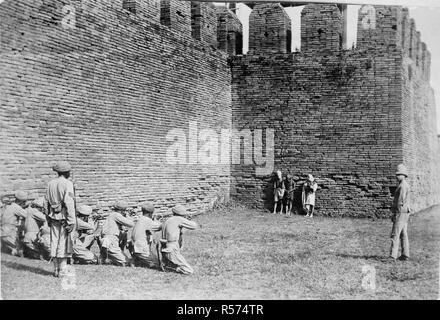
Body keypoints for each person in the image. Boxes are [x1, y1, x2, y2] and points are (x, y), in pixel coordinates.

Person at [43, 161, 76, 277]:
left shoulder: (50, 184)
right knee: (63, 243)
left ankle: (55, 269)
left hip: (52, 217)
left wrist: (47, 216)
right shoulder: (68, 184)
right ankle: (62, 270)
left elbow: (45, 202)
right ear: (67, 172)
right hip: (64, 217)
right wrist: (72, 221)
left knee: (54, 241)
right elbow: (69, 202)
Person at [160, 205, 199, 275]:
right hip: (172, 248)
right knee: (189, 270)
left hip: (165, 247)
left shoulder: (168, 219)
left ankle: (169, 264)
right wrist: (188, 220)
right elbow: (194, 226)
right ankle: (172, 268)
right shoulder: (179, 219)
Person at [99, 200, 134, 266]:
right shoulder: (116, 215)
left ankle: (105, 256)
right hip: (110, 242)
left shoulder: (112, 216)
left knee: (124, 233)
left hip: (106, 241)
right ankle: (109, 255)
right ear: (122, 210)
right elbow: (131, 224)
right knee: (126, 262)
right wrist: (127, 216)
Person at [390, 164, 412, 261]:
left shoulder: (402, 186)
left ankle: (392, 255)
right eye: (397, 174)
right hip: (405, 212)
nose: (397, 176)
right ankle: (405, 254)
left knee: (395, 234)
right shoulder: (405, 185)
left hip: (400, 212)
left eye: (399, 174)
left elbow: (400, 201)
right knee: (403, 234)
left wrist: (395, 214)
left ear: (404, 175)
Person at [129, 202, 162, 268]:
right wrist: (157, 220)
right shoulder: (147, 221)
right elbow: (160, 227)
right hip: (141, 248)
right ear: (150, 213)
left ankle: (136, 260)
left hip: (134, 248)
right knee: (157, 263)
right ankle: (138, 261)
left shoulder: (140, 219)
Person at [0, 191, 28, 256]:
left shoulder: (7, 205)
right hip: (10, 231)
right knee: (18, 249)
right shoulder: (16, 207)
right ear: (22, 201)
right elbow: (27, 215)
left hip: (2, 230)